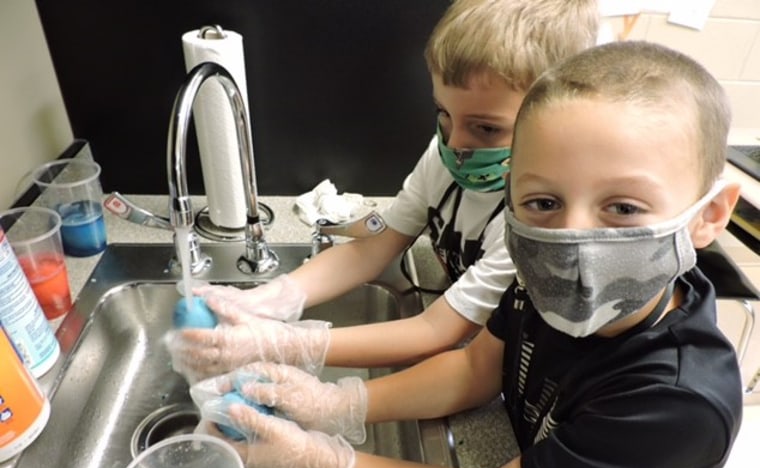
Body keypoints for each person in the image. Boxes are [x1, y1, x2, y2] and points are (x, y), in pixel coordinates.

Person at [192, 41, 744, 468]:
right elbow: (474, 370)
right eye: (543, 203)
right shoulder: (543, 278)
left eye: (623, 208)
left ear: (710, 215)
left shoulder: (677, 404)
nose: (572, 238)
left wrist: (326, 461)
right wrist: (337, 403)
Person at [167, 0, 600, 381]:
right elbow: (377, 245)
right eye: (443, 113)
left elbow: (436, 331)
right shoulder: (446, 154)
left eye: (486, 128)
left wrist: (282, 344)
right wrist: (272, 299)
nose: (456, 144)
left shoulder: (534, 226)